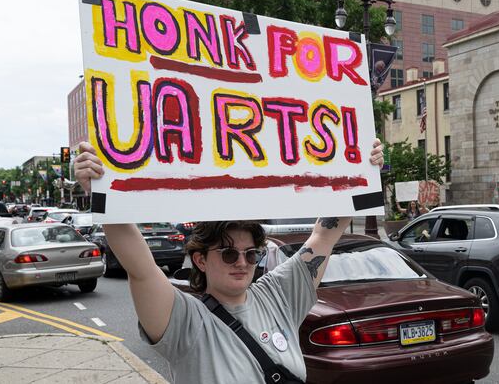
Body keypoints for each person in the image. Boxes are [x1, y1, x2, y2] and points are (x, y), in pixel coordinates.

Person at [74, 139, 384, 384]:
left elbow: (324, 236)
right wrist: (101, 191)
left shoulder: (278, 295)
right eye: (228, 253)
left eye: (252, 254)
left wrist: (362, 174)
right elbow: (140, 267)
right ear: (201, 260)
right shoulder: (184, 319)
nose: (242, 262)